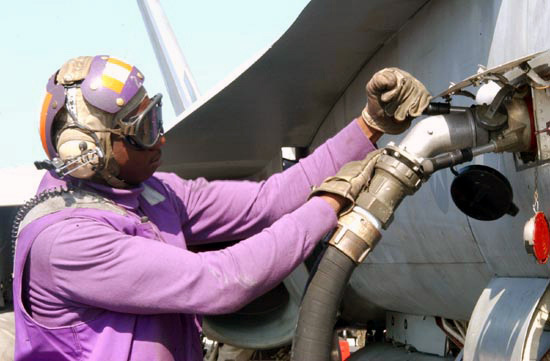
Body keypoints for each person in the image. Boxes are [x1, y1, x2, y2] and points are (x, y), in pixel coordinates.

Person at [12, 55, 430, 361]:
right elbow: (222, 281)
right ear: (91, 153)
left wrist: (370, 126)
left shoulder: (152, 193)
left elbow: (269, 202)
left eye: (156, 117)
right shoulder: (68, 241)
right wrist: (331, 202)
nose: (161, 140)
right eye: (144, 130)